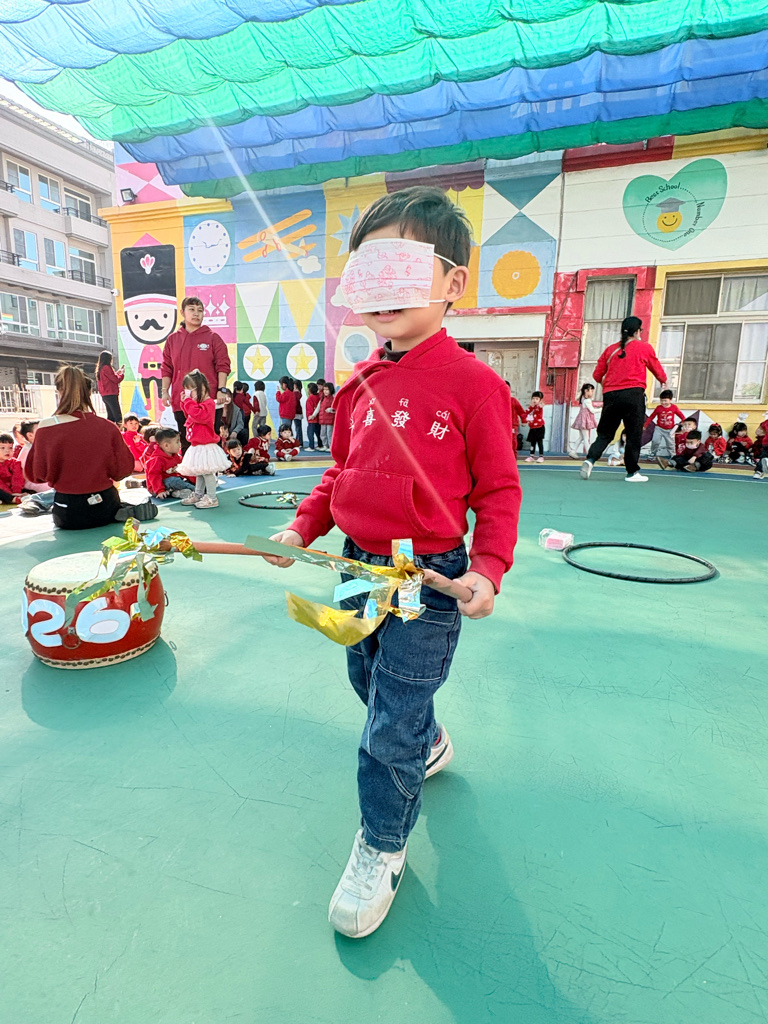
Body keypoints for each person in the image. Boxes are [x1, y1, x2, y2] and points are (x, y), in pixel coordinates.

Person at [264, 185, 521, 939]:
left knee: (389, 721)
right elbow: (339, 473)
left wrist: (488, 568)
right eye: (367, 268)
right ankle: (428, 742)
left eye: (400, 266)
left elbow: (499, 489)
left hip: (425, 574)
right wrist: (303, 529)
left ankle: (382, 844)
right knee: (366, 677)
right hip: (359, 568)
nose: (379, 287)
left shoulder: (476, 386)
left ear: (451, 283)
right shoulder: (359, 385)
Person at [25, 365, 157, 529]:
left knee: (54, 502)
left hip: (68, 511)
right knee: (109, 503)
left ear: (59, 391)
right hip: (105, 506)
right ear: (89, 392)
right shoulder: (107, 427)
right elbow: (123, 469)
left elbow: (36, 475)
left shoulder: (46, 427)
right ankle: (125, 509)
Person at [580, 316, 666, 483]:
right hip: (633, 395)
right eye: (641, 330)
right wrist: (663, 381)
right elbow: (656, 368)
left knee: (605, 433)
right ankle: (632, 472)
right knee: (633, 434)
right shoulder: (644, 348)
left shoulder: (610, 350)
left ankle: (590, 459)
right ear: (637, 331)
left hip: (611, 396)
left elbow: (597, 374)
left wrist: (607, 384)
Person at [161, 296, 231, 451]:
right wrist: (165, 392)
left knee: (211, 441)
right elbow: (166, 367)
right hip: (182, 400)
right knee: (186, 441)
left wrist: (222, 389)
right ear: (182, 312)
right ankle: (190, 468)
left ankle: (212, 468)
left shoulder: (213, 338)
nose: (196, 313)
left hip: (209, 401)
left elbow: (223, 366)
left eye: (200, 310)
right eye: (191, 309)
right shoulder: (173, 339)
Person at [176, 370, 231, 509]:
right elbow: (190, 415)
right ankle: (199, 494)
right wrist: (185, 403)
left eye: (190, 390)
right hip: (197, 445)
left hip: (206, 445)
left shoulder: (208, 403)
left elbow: (199, 416)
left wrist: (187, 402)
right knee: (200, 472)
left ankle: (212, 498)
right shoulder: (198, 404)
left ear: (201, 388)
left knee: (207, 473)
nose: (188, 394)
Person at [144, 428, 195, 498]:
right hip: (157, 488)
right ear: (166, 445)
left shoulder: (176, 457)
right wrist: (160, 490)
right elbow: (154, 476)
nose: (180, 444)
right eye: (177, 442)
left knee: (183, 479)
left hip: (173, 484)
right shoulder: (157, 459)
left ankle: (176, 493)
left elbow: (185, 471)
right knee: (173, 481)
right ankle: (196, 490)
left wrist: (196, 480)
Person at [645, 389, 684, 460]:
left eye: (665, 400)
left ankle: (673, 456)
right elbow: (651, 417)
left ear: (670, 400)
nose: (663, 402)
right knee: (655, 441)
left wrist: (684, 424)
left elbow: (681, 416)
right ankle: (653, 453)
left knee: (670, 444)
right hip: (659, 428)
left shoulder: (674, 408)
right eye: (661, 400)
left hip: (670, 430)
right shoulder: (658, 408)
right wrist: (645, 425)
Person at [569, 383, 598, 458]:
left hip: (581, 419)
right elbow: (592, 410)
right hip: (584, 420)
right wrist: (602, 409)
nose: (592, 392)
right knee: (586, 438)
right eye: (591, 391)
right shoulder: (587, 400)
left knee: (582, 437)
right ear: (586, 391)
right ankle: (589, 453)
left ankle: (573, 451)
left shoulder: (582, 398)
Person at [96, 350, 125, 423]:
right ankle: (119, 428)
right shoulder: (107, 367)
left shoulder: (100, 368)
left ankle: (110, 428)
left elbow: (110, 378)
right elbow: (116, 380)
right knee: (117, 415)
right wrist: (122, 374)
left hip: (105, 394)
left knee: (111, 416)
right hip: (111, 393)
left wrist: (117, 373)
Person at [0, 432, 23, 504]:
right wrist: (10, 493)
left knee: (31, 491)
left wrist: (17, 492)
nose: (7, 451)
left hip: (13, 490)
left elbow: (17, 478)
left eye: (10, 448)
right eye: (2, 448)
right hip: (3, 490)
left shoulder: (15, 463)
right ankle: (13, 499)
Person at [524, 391, 545, 463]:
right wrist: (531, 407)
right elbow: (526, 412)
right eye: (533, 398)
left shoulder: (539, 407)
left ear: (540, 400)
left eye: (537, 399)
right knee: (532, 443)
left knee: (539, 442)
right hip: (532, 428)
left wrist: (540, 404)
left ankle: (541, 456)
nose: (534, 400)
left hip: (539, 427)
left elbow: (541, 406)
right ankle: (531, 456)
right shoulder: (531, 407)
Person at [505, 382, 526, 454]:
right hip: (501, 425)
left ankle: (513, 455)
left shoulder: (513, 401)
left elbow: (521, 412)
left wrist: (524, 420)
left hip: (512, 425)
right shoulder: (497, 401)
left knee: (513, 440)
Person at [318, 382, 336, 451]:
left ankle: (331, 446)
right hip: (323, 420)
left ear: (331, 390)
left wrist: (331, 409)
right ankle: (325, 445)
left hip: (330, 420)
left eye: (327, 389)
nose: (325, 391)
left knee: (329, 433)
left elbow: (336, 408)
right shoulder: (323, 398)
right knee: (323, 433)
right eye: (324, 389)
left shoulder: (333, 399)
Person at [304, 382, 322, 450]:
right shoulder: (319, 397)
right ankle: (320, 445)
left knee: (310, 433)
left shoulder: (310, 398)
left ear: (309, 390)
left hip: (312, 419)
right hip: (318, 418)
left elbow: (310, 409)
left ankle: (311, 446)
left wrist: (311, 416)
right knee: (318, 433)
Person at [292, 380, 305, 448]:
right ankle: (299, 442)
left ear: (296, 385)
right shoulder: (297, 392)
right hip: (297, 411)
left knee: (298, 428)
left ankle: (299, 442)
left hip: (296, 412)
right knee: (298, 427)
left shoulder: (296, 393)